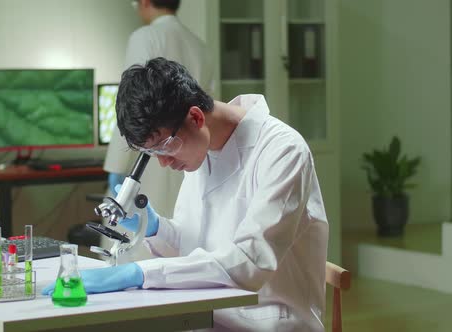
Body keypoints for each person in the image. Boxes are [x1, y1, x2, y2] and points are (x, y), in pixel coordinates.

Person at [44, 58, 329, 331]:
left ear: (195, 117)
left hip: (270, 323)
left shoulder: (283, 151)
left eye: (165, 146)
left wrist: (140, 273)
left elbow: (249, 263)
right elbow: (194, 249)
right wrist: (154, 228)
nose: (164, 162)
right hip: (204, 318)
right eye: (153, 153)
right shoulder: (200, 152)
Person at [104, 0, 215, 219]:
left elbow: (131, 106)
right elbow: (210, 105)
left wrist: (116, 166)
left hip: (150, 157)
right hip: (191, 159)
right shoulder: (200, 46)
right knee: (181, 231)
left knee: (138, 235)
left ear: (144, 2)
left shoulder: (146, 36)